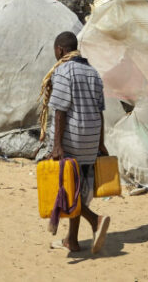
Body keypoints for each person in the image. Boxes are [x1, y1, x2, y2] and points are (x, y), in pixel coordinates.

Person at [41, 31, 110, 254]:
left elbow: (60, 110)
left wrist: (57, 145)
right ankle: (72, 240)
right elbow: (100, 112)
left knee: (66, 189)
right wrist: (100, 143)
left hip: (72, 138)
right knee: (77, 186)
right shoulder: (93, 72)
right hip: (90, 139)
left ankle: (95, 220)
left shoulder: (64, 71)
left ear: (60, 49)